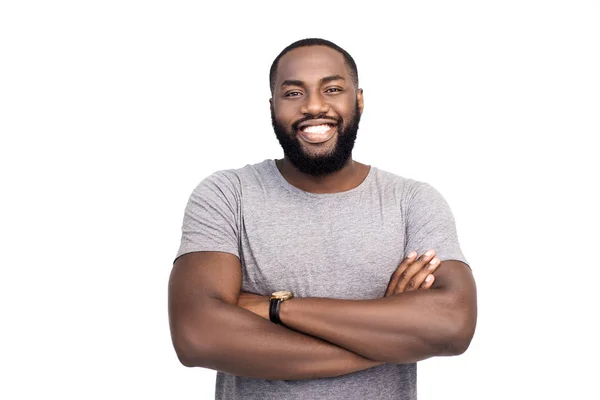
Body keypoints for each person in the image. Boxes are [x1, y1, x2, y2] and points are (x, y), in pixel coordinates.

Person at [168, 38, 477, 400]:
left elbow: (453, 326)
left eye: (332, 89)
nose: (314, 106)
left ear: (358, 99)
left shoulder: (411, 201)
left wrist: (275, 307)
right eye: (294, 93)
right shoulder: (227, 194)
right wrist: (389, 338)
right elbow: (197, 336)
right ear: (272, 106)